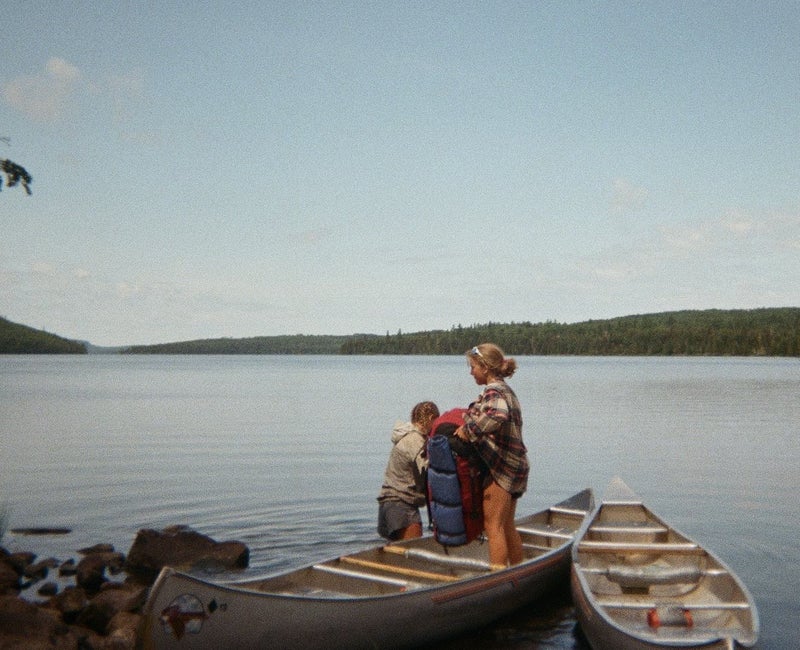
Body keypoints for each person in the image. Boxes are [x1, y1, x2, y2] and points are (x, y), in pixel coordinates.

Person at [454, 343, 529, 567]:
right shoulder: (505, 389)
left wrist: (468, 430)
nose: (471, 372)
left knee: (493, 526)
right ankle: (517, 570)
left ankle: (498, 576)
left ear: (485, 368)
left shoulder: (493, 391)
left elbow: (497, 415)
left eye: (473, 367)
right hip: (517, 465)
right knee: (507, 525)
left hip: (502, 468)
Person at [377, 401, 440, 540]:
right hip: (402, 505)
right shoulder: (415, 440)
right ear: (431, 418)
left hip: (388, 505)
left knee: (399, 552)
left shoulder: (406, 437)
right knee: (415, 549)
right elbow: (430, 468)